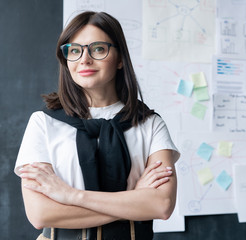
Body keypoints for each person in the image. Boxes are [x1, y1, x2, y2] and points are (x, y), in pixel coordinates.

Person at [14, 11, 180, 240]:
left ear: (120, 58)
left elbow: (161, 205)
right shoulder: (43, 123)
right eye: (74, 50)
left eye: (98, 49)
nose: (84, 59)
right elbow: (40, 213)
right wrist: (135, 199)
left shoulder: (151, 124)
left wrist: (69, 196)